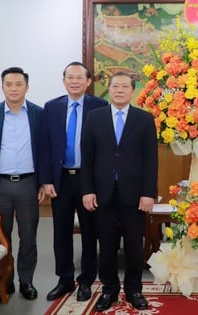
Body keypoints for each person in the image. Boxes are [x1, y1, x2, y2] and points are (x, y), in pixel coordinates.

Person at [81, 72, 157, 312]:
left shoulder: (144, 119)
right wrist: (87, 190)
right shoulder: (94, 118)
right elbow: (87, 158)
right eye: (115, 86)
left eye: (125, 87)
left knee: (135, 245)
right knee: (107, 245)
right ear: (109, 89)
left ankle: (134, 290)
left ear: (132, 91)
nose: (120, 90)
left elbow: (151, 160)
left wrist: (148, 193)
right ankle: (109, 290)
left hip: (134, 195)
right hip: (103, 194)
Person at [40, 62, 108, 302]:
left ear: (88, 81)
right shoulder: (52, 108)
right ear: (64, 80)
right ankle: (65, 279)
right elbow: (45, 146)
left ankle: (87, 280)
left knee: (90, 232)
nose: (75, 81)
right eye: (70, 77)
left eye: (80, 78)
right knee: (61, 232)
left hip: (88, 181)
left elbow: (105, 148)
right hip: (60, 180)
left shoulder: (100, 107)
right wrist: (46, 180)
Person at [0, 66, 44, 302]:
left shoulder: (38, 114)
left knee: (28, 237)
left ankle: (27, 281)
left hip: (28, 183)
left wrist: (44, 183)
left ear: (27, 86)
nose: (14, 88)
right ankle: (5, 283)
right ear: (2, 86)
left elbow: (44, 151)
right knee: (1, 238)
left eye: (18, 84)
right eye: (9, 84)